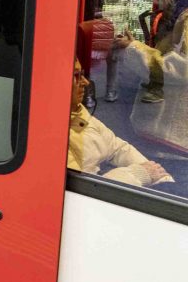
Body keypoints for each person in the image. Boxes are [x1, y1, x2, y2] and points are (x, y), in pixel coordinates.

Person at [68, 59, 173, 187]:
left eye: (82, 74)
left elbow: (117, 148)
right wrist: (140, 174)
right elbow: (80, 189)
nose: (85, 82)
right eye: (76, 76)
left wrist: (160, 176)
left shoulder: (76, 113)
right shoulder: (47, 136)